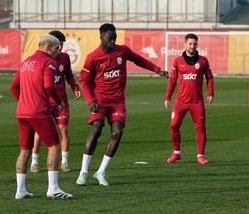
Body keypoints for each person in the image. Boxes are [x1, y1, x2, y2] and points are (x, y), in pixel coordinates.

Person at [75, 23, 169, 186]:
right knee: (97, 128)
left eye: (115, 38)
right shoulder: (93, 57)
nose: (112, 41)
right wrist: (91, 101)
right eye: (109, 38)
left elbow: (139, 60)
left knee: (117, 132)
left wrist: (157, 70)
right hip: (100, 100)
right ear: (101, 37)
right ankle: (83, 172)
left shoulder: (122, 51)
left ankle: (101, 172)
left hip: (118, 101)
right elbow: (83, 80)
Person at [10, 34, 72, 199]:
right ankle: (53, 189)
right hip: (39, 111)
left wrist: (23, 101)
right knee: (54, 146)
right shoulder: (48, 62)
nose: (59, 51)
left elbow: (14, 86)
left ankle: (20, 191)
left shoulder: (25, 62)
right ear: (47, 47)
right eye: (57, 47)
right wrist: (58, 101)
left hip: (22, 112)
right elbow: (49, 85)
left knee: (24, 151)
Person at [30, 30, 82, 173]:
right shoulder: (42, 60)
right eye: (59, 45)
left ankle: (64, 162)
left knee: (63, 130)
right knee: (40, 132)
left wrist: (74, 87)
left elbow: (69, 76)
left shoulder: (64, 58)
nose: (61, 48)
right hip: (46, 102)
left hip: (61, 102)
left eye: (62, 45)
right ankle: (34, 162)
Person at [164, 33, 214, 165]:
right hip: (181, 101)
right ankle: (176, 153)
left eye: (194, 44)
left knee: (200, 128)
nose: (192, 46)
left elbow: (209, 77)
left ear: (197, 45)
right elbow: (173, 80)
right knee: (174, 125)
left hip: (197, 102)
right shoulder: (178, 61)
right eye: (190, 44)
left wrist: (210, 93)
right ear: (185, 44)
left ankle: (200, 155)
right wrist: (168, 97)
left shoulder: (203, 60)